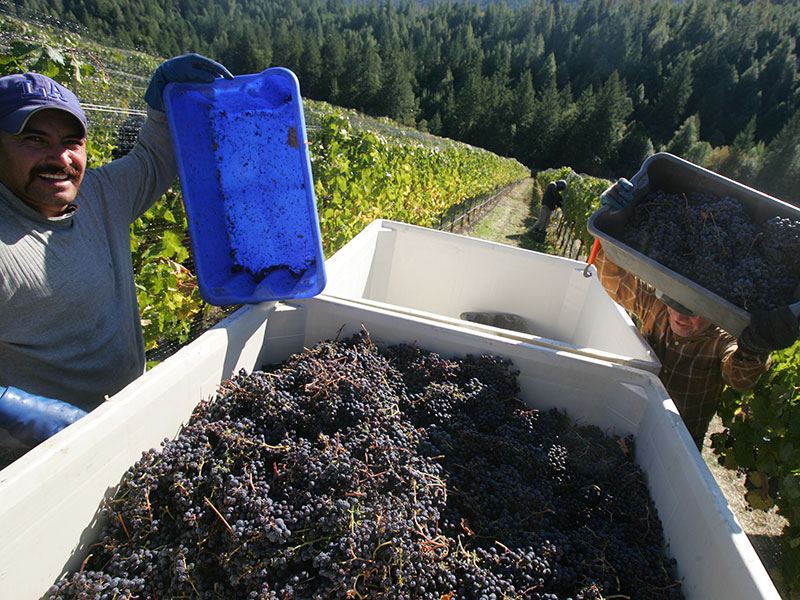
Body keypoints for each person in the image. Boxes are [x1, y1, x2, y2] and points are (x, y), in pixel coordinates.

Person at [0, 54, 234, 449]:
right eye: (33, 139)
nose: (60, 158)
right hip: (37, 459)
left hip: (130, 420)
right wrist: (12, 407)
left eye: (71, 142)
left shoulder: (99, 194)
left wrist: (163, 105)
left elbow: (153, 159)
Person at [593, 179, 799, 449]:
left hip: (679, 444)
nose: (680, 315)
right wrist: (611, 222)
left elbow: (739, 378)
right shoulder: (656, 306)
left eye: (693, 310)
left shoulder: (723, 335)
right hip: (628, 420)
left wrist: (755, 348)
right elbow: (610, 275)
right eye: (674, 303)